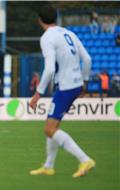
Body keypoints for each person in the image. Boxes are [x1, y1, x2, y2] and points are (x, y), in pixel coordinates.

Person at [29, 5, 95, 178]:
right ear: (56, 18)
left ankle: (85, 159)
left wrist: (38, 93)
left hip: (65, 87)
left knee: (49, 129)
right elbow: (87, 59)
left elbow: (49, 70)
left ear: (40, 20)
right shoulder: (69, 33)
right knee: (54, 125)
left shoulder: (47, 38)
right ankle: (48, 166)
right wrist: (85, 81)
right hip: (76, 84)